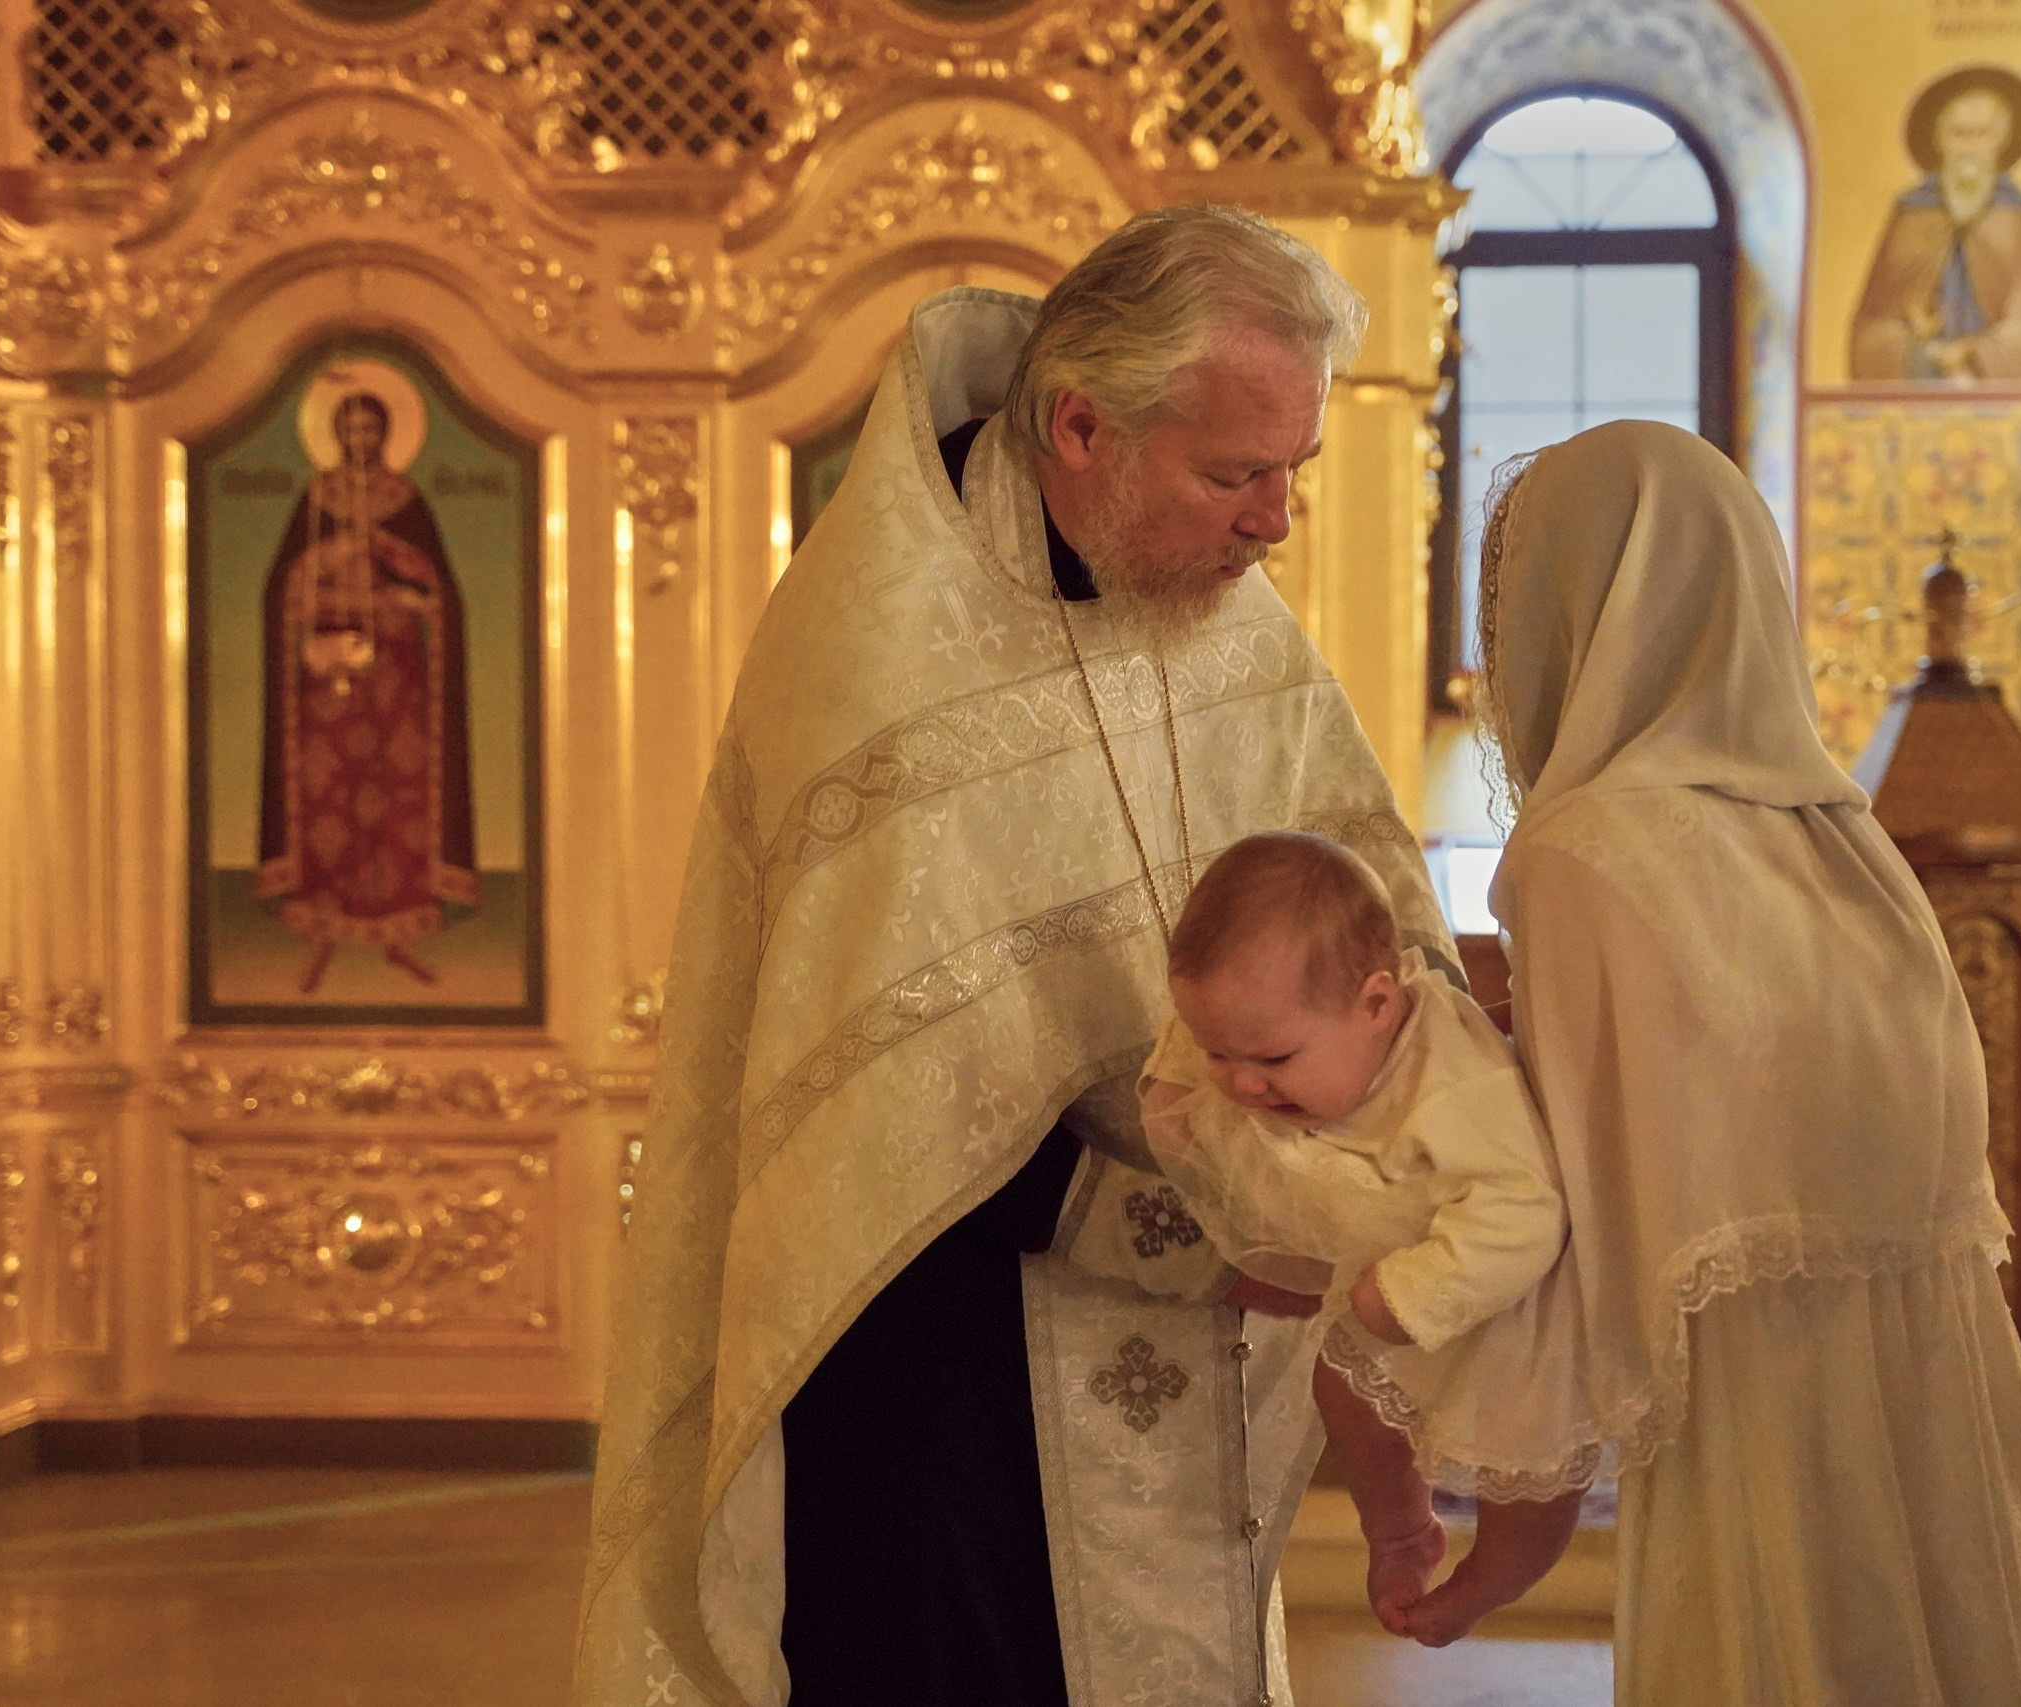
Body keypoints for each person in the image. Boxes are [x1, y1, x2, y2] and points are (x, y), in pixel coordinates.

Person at [574, 208, 1457, 1707]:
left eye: (1291, 471)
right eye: (1236, 475)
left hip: (1201, 1373)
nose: (1273, 524)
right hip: (945, 1376)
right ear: (1083, 428)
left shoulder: (1235, 630)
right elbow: (870, 1108)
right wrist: (1204, 1229)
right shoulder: (876, 653)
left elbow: (1367, 898)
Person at [1478, 420, 2021, 1704]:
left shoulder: (1579, 851)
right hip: (1942, 1419)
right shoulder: (1843, 835)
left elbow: (1561, 1232)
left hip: (1748, 1436)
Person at [1137, 831, 1580, 1646]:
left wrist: (1408, 1295)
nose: (1241, 1081)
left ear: (1378, 1004)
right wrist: (1180, 1080)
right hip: (1394, 1256)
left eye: (1272, 1057)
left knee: (1528, 1463)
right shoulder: (1287, 1029)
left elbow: (1528, 1211)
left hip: (1507, 1296)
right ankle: (1401, 1532)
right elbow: (1219, 1029)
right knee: (1342, 1388)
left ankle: (1496, 1576)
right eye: (1217, 1052)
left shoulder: (1458, 1087)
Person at [255, 389, 476, 993]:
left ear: (384, 434)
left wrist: (406, 583)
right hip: (330, 681)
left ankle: (398, 935)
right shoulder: (316, 500)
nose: (360, 440)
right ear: (335, 434)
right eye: (350, 429)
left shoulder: (406, 501)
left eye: (370, 429)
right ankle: (324, 932)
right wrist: (334, 556)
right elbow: (283, 592)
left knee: (398, 797)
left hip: (398, 682)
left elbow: (439, 594)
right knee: (328, 795)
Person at [1850, 67, 2021, 382]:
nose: (1971, 148)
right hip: (1921, 380)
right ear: (1939, 140)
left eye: (1983, 134)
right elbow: (1871, 330)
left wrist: (1975, 353)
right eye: (1960, 134)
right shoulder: (1913, 212)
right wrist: (1920, 349)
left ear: (2001, 141)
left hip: (1987, 386)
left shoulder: (2012, 214)